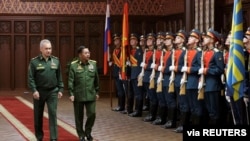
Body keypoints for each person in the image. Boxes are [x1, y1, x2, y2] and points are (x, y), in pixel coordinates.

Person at [28, 39, 64, 141]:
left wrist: (60, 89)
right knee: (38, 115)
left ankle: (53, 138)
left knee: (53, 114)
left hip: (52, 92)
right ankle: (39, 137)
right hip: (39, 92)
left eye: (50, 48)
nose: (49, 50)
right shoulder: (34, 62)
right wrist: (34, 90)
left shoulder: (56, 61)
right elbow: (31, 78)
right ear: (41, 49)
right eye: (46, 48)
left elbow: (59, 77)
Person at [68, 46, 99, 141]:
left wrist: (97, 92)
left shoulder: (93, 64)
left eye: (88, 53)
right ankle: (81, 134)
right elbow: (70, 80)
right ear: (80, 55)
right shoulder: (74, 65)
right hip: (78, 95)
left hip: (90, 94)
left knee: (92, 114)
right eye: (86, 53)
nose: (88, 54)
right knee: (79, 116)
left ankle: (88, 131)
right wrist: (71, 93)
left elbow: (96, 80)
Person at [110, 33, 127, 112]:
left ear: (120, 41)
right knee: (119, 90)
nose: (116, 42)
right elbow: (115, 61)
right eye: (115, 40)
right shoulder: (114, 51)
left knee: (125, 90)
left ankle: (124, 106)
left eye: (117, 40)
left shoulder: (123, 50)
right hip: (116, 72)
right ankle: (120, 105)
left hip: (122, 72)